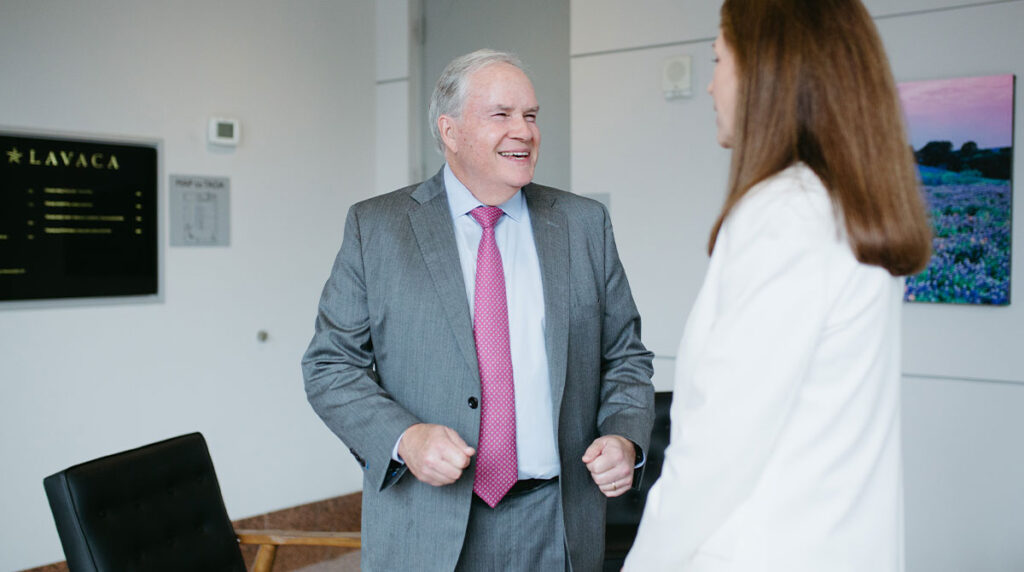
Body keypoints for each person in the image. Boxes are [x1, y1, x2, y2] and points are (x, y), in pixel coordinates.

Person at [303, 49, 655, 571]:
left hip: (555, 521)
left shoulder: (584, 225)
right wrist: (405, 438)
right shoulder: (376, 228)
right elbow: (330, 366)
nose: (524, 131)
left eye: (531, 116)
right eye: (502, 115)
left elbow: (625, 356)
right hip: (425, 523)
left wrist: (624, 435)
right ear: (450, 131)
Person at [623, 0, 932, 570]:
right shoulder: (845, 209)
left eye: (719, 60)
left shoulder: (784, 214)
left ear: (768, 71)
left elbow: (718, 448)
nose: (712, 86)